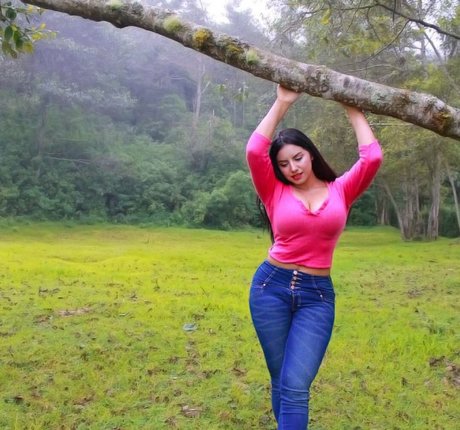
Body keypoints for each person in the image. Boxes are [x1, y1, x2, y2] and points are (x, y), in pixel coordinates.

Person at [246, 85, 383, 429]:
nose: (292, 167)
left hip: (316, 297)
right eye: (283, 163)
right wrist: (282, 102)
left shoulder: (342, 190)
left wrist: (352, 108)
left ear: (310, 154)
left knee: (296, 384)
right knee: (281, 378)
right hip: (270, 288)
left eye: (298, 157)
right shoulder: (274, 190)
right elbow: (254, 150)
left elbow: (372, 158)